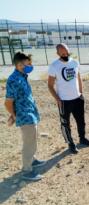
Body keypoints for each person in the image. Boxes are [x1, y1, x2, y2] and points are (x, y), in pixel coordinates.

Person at [4, 52, 45, 181]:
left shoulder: (22, 76)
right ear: (18, 64)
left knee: (32, 139)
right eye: (25, 64)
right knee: (29, 143)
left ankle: (32, 160)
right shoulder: (14, 79)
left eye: (28, 63)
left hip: (30, 113)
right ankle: (27, 171)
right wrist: (14, 115)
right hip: (24, 116)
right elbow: (8, 102)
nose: (28, 66)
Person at [48, 43, 89, 154]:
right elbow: (49, 85)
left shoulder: (74, 62)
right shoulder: (54, 66)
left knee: (81, 121)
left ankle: (82, 138)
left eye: (66, 52)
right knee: (65, 123)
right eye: (62, 53)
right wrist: (57, 99)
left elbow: (78, 77)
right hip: (64, 101)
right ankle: (70, 143)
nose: (65, 54)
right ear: (57, 53)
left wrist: (81, 92)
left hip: (77, 98)